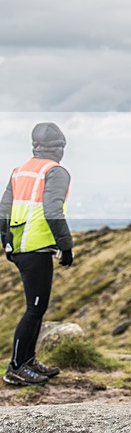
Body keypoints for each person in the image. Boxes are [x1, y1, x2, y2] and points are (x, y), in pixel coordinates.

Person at [0, 123, 73, 387]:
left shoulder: (20, 171)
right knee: (34, 309)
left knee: (36, 308)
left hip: (19, 246)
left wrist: (6, 242)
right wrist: (66, 246)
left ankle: (28, 361)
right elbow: (53, 209)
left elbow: (3, 208)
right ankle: (17, 367)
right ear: (60, 148)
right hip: (37, 247)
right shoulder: (55, 172)